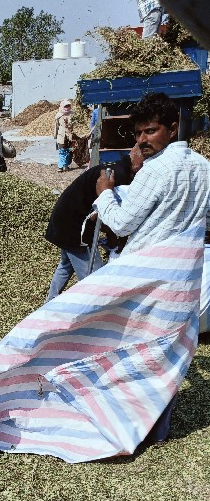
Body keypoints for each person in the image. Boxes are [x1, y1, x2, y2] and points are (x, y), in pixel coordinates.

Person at [95, 92, 210, 441]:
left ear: (173, 128)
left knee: (129, 351)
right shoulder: (205, 167)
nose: (142, 140)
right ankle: (158, 429)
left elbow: (122, 224)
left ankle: (125, 426)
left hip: (143, 277)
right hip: (183, 279)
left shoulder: (155, 170)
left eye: (150, 131)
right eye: (138, 134)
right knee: (166, 355)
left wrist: (105, 193)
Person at [45, 146, 144, 301]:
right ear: (138, 165)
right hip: (75, 224)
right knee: (94, 279)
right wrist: (113, 237)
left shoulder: (118, 168)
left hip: (63, 217)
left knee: (66, 264)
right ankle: (88, 312)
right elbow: (104, 212)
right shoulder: (119, 176)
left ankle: (50, 303)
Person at [53, 99, 75, 172]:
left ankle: (66, 165)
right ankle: (60, 166)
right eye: (65, 106)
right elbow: (56, 126)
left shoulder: (72, 114)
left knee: (69, 151)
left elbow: (75, 125)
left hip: (70, 136)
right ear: (62, 106)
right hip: (61, 136)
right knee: (62, 151)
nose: (67, 107)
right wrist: (55, 136)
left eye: (68, 106)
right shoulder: (58, 115)